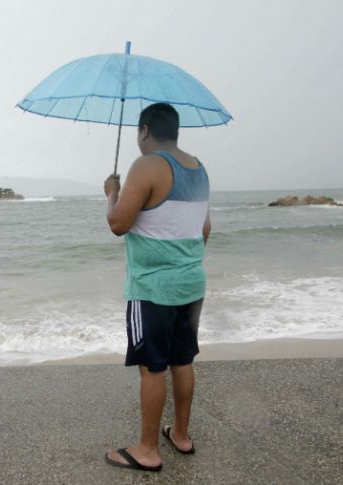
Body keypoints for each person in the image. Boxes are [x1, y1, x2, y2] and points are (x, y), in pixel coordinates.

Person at [103, 103, 211, 472]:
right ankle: (180, 434)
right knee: (182, 360)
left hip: (151, 288)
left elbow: (118, 223)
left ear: (145, 130)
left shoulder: (147, 165)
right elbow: (204, 230)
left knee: (152, 367)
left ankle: (148, 449)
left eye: (138, 133)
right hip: (191, 284)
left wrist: (111, 192)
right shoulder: (198, 169)